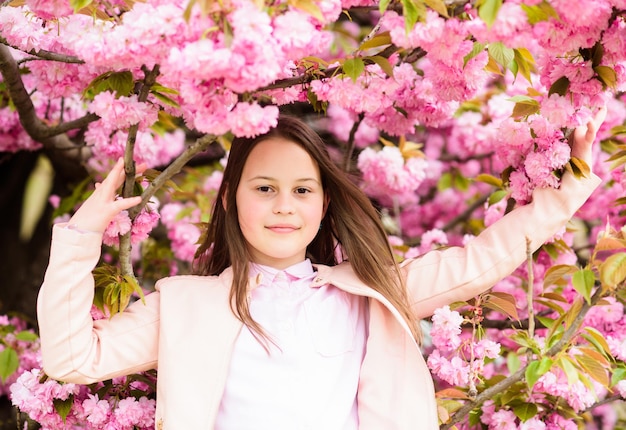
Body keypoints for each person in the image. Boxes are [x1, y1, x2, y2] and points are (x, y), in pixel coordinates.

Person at [38, 110, 606, 430]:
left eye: (301, 190)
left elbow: (481, 261)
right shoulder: (186, 303)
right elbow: (72, 359)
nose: (284, 205)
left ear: (324, 204)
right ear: (233, 197)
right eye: (265, 189)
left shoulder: (371, 292)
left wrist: (570, 186)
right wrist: (83, 235)